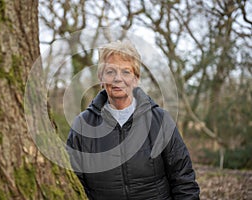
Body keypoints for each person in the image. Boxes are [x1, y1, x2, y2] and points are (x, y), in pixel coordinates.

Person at [66, 40, 200, 200]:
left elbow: (183, 181)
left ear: (136, 79)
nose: (118, 79)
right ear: (100, 78)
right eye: (110, 72)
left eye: (126, 72)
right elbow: (73, 185)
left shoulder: (160, 121)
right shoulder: (82, 126)